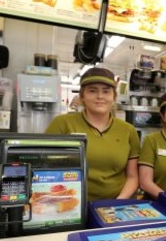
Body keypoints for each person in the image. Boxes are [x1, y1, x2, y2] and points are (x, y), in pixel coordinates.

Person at [46, 67, 139, 202]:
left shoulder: (128, 131)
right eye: (92, 90)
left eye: (106, 91)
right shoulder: (63, 124)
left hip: (115, 205)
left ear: (114, 97)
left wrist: (118, 202)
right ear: (82, 96)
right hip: (70, 204)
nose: (100, 96)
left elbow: (132, 176)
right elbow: (45, 166)